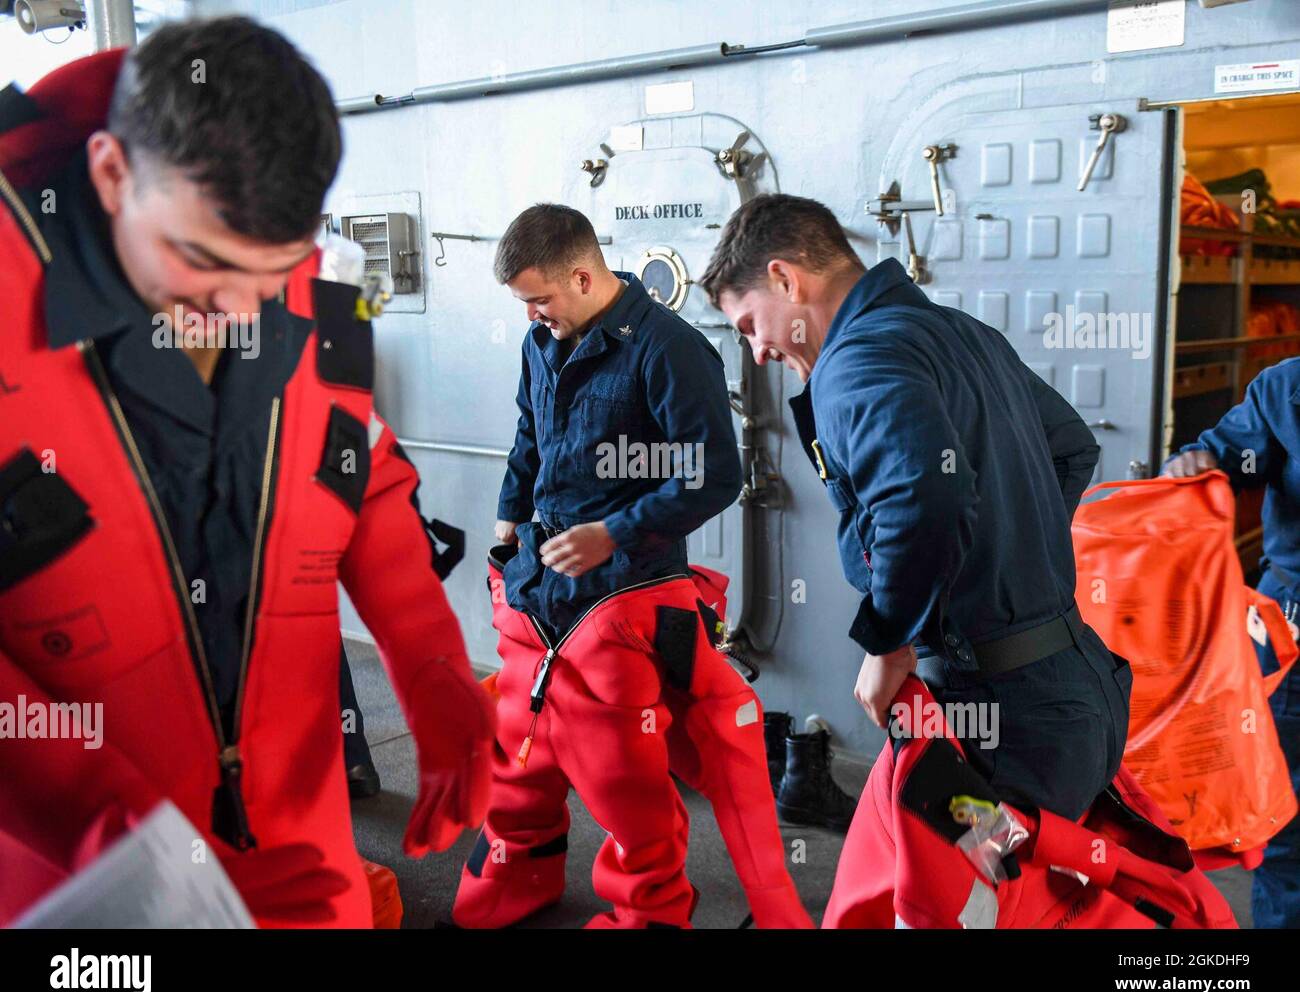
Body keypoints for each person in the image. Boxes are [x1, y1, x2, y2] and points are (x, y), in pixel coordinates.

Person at [0, 18, 494, 928]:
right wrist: (138, 851)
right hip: (81, 894)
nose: (236, 311)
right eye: (203, 267)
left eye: (270, 278)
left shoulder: (318, 285)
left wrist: (431, 666)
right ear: (111, 174)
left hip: (305, 864)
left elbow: (365, 472)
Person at [701, 193, 1131, 826]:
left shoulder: (856, 362)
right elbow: (1071, 448)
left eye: (747, 325)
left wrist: (889, 643)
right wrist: (1005, 549)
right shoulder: (960, 333)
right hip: (1074, 690)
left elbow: (924, 498)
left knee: (972, 903)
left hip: (994, 718)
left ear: (785, 278)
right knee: (1027, 891)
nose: (759, 351)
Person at [452, 203, 809, 928]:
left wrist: (611, 535)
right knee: (518, 759)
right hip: (535, 590)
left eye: (539, 300)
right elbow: (530, 433)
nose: (531, 317)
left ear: (582, 276)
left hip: (623, 599)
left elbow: (710, 477)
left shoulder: (669, 350)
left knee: (623, 782)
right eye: (523, 304)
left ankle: (646, 913)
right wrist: (506, 523)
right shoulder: (542, 342)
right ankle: (514, 883)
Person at [1165, 368, 1300, 928]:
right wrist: (1194, 466)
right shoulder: (1285, 390)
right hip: (1289, 630)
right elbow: (1218, 452)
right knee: (1284, 821)